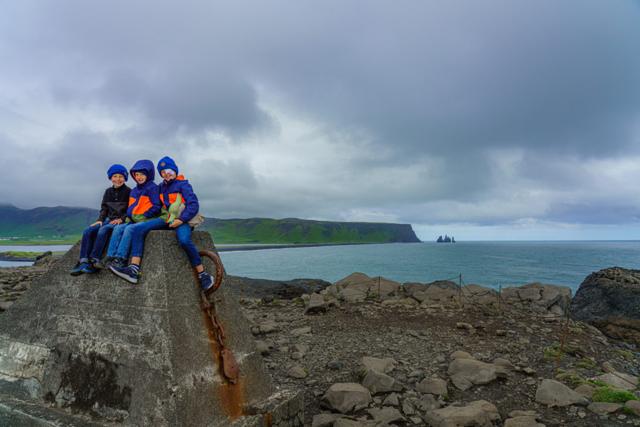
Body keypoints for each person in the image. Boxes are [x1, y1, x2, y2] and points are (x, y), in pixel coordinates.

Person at [157, 156, 213, 291]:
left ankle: (203, 274)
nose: (167, 174)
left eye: (169, 171)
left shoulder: (183, 185)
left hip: (182, 220)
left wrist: (181, 220)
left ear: (175, 171)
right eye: (163, 172)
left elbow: (193, 205)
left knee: (184, 240)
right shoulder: (160, 188)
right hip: (168, 219)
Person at [70, 164, 131, 275]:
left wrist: (122, 219)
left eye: (121, 176)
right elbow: (104, 208)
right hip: (108, 219)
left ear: (125, 178)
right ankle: (83, 261)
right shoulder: (108, 192)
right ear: (111, 178)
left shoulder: (129, 192)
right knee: (88, 230)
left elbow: (130, 209)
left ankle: (95, 259)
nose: (118, 179)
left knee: (103, 230)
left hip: (119, 221)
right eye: (115, 176)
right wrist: (100, 220)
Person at [106, 160, 164, 276]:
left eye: (142, 174)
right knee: (119, 228)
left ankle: (121, 259)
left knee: (129, 229)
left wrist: (145, 215)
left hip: (146, 219)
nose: (139, 177)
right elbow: (131, 207)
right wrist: (130, 216)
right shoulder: (134, 191)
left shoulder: (153, 188)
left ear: (149, 174)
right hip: (134, 219)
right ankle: (111, 257)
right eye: (136, 174)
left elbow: (157, 206)